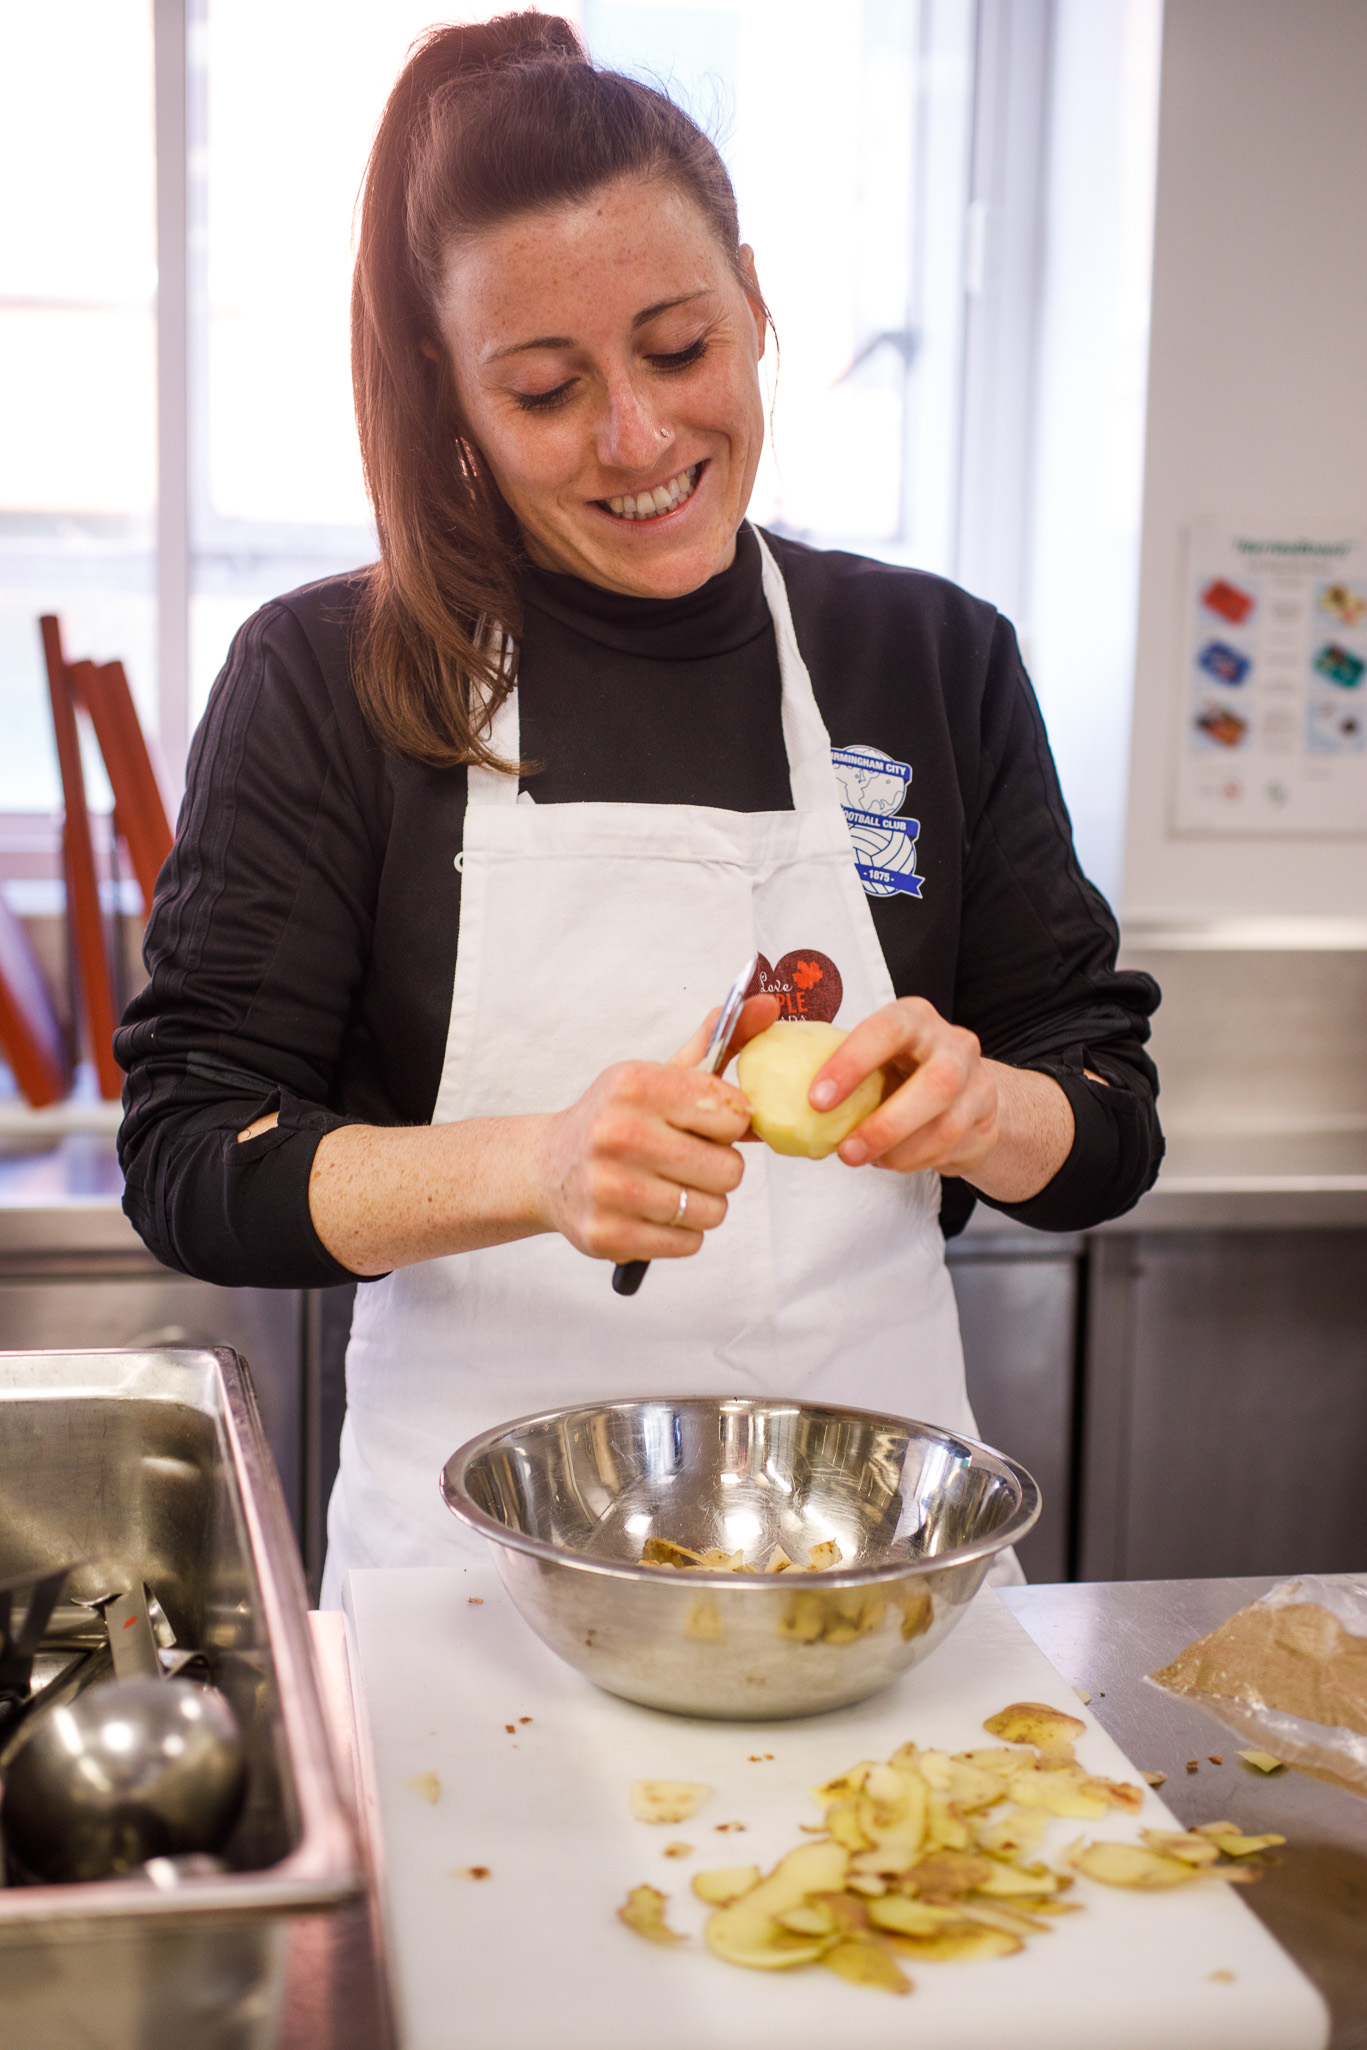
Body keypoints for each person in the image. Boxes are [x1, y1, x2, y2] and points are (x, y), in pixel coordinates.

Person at [116, 12, 1162, 1604]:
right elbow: (198, 1149)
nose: (639, 437)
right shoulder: (334, 676)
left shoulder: (930, 659)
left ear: (755, 301)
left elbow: (1105, 1115)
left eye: (680, 348)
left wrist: (988, 1110)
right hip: (474, 1615)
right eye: (545, 389)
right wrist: (536, 1166)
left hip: (870, 1597)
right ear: (452, 398)